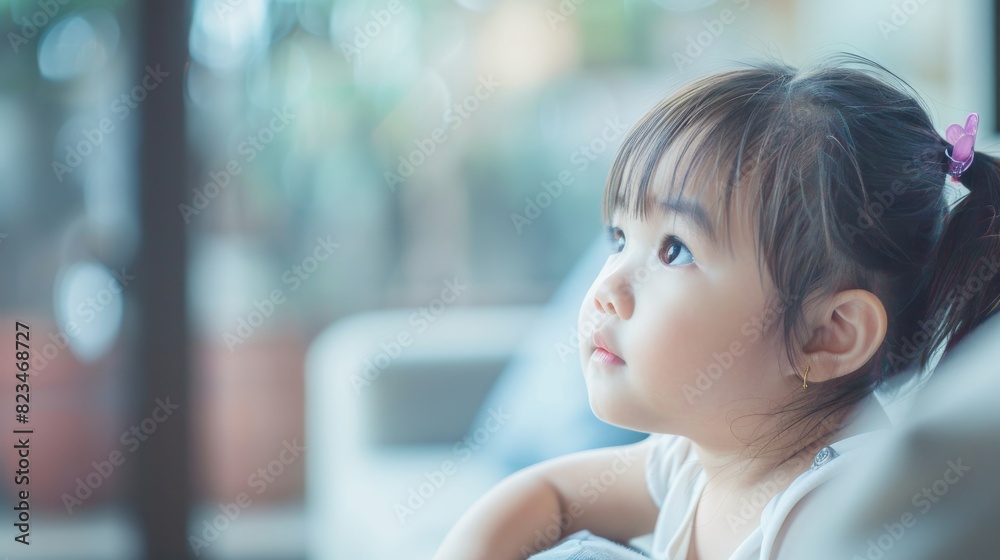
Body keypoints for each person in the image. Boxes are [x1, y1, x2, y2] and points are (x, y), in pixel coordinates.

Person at [431, 53, 1000, 560]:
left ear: (826, 333)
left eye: (674, 250)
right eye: (620, 239)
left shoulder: (831, 515)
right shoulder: (696, 458)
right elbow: (549, 497)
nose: (608, 287)